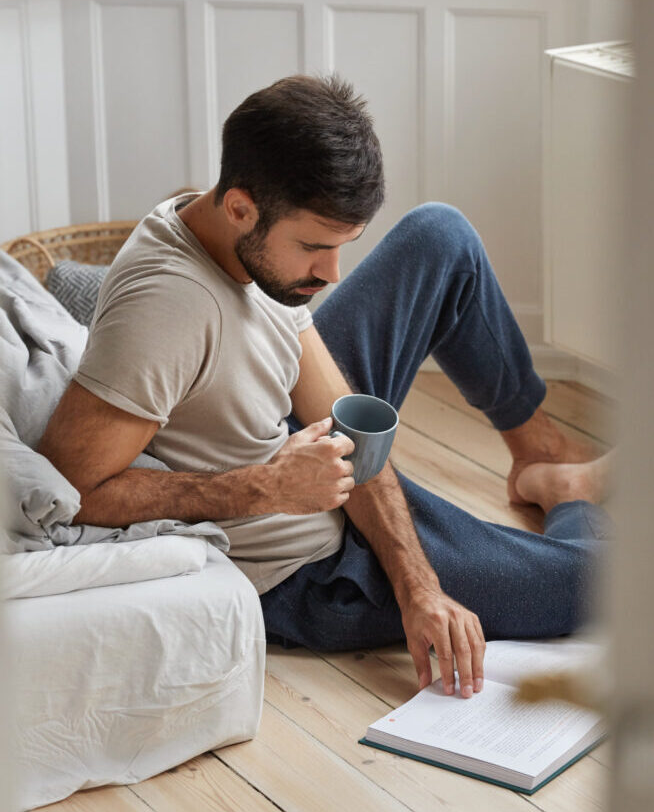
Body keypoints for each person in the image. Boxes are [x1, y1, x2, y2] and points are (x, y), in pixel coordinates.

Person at [38, 74, 611, 701]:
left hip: (292, 449)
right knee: (612, 580)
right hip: (307, 568)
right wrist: (270, 485)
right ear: (239, 206)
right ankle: (567, 493)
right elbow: (72, 491)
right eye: (315, 246)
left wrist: (420, 583)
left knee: (438, 236)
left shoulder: (243, 247)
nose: (333, 273)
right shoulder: (168, 309)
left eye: (342, 247)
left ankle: (539, 453)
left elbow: (347, 426)